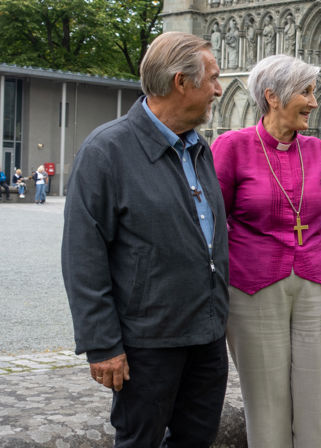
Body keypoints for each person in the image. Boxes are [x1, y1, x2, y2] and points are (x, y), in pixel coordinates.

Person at [61, 31, 229, 447]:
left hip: (206, 338)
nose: (219, 89)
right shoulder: (106, 150)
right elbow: (83, 256)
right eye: (212, 78)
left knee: (198, 440)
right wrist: (102, 345)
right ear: (181, 82)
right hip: (147, 344)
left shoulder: (199, 149)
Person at [211, 54, 321, 447]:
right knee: (266, 405)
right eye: (306, 92)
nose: (314, 102)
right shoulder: (231, 146)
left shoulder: (318, 151)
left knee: (314, 401)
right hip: (252, 288)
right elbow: (212, 223)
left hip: (316, 286)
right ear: (273, 96)